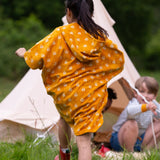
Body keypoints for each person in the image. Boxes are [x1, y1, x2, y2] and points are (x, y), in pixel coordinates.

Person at [15, 0, 124, 159]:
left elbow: (37, 59)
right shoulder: (99, 36)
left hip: (66, 95)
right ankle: (66, 155)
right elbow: (116, 59)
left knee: (64, 119)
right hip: (89, 96)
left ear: (68, 12)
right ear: (91, 14)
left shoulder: (60, 34)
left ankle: (64, 154)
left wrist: (25, 53)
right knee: (84, 142)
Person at [110, 76, 160, 152]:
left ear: (154, 96)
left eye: (149, 93)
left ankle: (146, 151)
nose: (145, 96)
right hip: (120, 139)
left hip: (140, 139)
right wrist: (146, 107)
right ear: (135, 93)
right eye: (142, 92)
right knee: (132, 123)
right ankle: (130, 153)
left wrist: (154, 104)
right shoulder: (134, 103)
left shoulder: (152, 104)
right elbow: (130, 111)